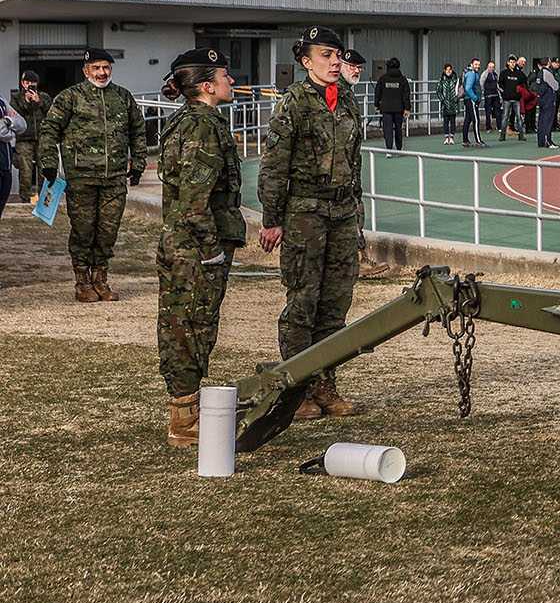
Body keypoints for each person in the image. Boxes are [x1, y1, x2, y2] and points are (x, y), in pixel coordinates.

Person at [259, 27, 365, 419]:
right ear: (306, 62)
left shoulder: (348, 100)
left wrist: (358, 218)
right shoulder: (294, 102)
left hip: (342, 213)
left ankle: (325, 387)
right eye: (326, 56)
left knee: (335, 305)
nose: (335, 62)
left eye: (337, 55)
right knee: (302, 303)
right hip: (304, 212)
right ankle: (295, 393)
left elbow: (355, 165)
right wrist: (272, 219)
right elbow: (274, 164)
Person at [155, 48, 246, 447]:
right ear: (208, 85)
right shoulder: (203, 126)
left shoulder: (187, 120)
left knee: (184, 325)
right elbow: (195, 201)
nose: (231, 82)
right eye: (225, 77)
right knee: (191, 328)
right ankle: (184, 420)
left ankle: (184, 412)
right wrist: (212, 250)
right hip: (194, 248)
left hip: (184, 243)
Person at [40, 47, 146, 303]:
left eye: (106, 67)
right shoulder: (70, 98)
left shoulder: (123, 97)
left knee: (108, 231)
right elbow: (49, 129)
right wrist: (49, 163)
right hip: (81, 178)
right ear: (85, 70)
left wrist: (139, 162)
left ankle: (100, 279)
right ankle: (82, 281)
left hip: (114, 178)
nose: (102, 72)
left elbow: (138, 130)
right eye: (97, 68)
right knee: (83, 230)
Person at [10, 69, 47, 200]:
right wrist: (26, 102)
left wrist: (38, 101)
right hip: (24, 139)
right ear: (22, 83)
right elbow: (14, 115)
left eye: (33, 82)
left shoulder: (44, 97)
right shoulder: (16, 99)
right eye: (27, 82)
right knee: (26, 171)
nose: (30, 85)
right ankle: (24, 199)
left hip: (42, 139)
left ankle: (43, 200)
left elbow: (51, 112)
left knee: (44, 170)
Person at [374, 58, 410, 152]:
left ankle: (389, 149)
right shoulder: (402, 79)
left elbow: (378, 93)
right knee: (398, 128)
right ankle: (399, 148)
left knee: (388, 128)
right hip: (399, 108)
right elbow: (406, 95)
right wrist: (407, 108)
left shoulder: (383, 79)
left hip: (386, 108)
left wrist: (376, 105)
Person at [0, 95, 24, 217]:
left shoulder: (2, 100)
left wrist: (8, 121)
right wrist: (12, 132)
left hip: (5, 165)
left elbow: (22, 124)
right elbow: (2, 133)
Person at [460, 59, 487, 147]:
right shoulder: (471, 74)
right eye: (476, 64)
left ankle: (465, 140)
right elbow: (468, 88)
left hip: (468, 100)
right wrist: (475, 98)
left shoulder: (469, 72)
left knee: (467, 120)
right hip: (471, 100)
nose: (478, 66)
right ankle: (478, 141)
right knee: (475, 120)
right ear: (471, 64)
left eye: (479, 64)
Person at [536, 58, 560, 149]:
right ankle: (547, 141)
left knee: (542, 121)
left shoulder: (539, 73)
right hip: (548, 99)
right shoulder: (547, 73)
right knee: (548, 121)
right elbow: (555, 86)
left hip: (542, 99)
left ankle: (541, 141)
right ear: (548, 63)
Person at [438, 64, 460, 145]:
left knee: (453, 121)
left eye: (450, 70)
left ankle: (452, 137)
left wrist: (456, 98)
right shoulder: (441, 80)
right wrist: (442, 99)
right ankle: (446, 137)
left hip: (453, 103)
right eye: (447, 70)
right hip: (445, 104)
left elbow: (459, 89)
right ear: (444, 70)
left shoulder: (455, 79)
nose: (449, 71)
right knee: (446, 121)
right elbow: (438, 91)